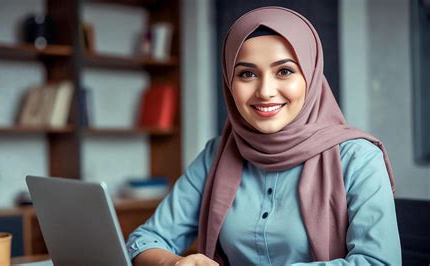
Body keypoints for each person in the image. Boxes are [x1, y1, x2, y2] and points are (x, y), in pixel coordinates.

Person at [126, 6, 401, 265]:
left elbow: (378, 261)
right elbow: (143, 241)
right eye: (247, 74)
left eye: (284, 71)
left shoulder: (358, 158)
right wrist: (175, 262)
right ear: (229, 82)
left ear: (311, 75)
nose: (265, 91)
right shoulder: (218, 153)